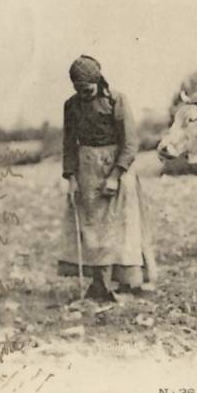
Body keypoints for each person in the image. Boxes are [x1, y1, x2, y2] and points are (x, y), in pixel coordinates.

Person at [61, 55, 153, 301]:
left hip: (117, 169)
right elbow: (69, 144)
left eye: (88, 89)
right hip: (87, 171)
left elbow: (130, 143)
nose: (84, 94)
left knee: (121, 225)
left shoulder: (117, 101)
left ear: (98, 81)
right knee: (92, 228)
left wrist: (115, 175)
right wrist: (71, 177)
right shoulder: (71, 106)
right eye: (78, 90)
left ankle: (127, 283)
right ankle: (99, 284)